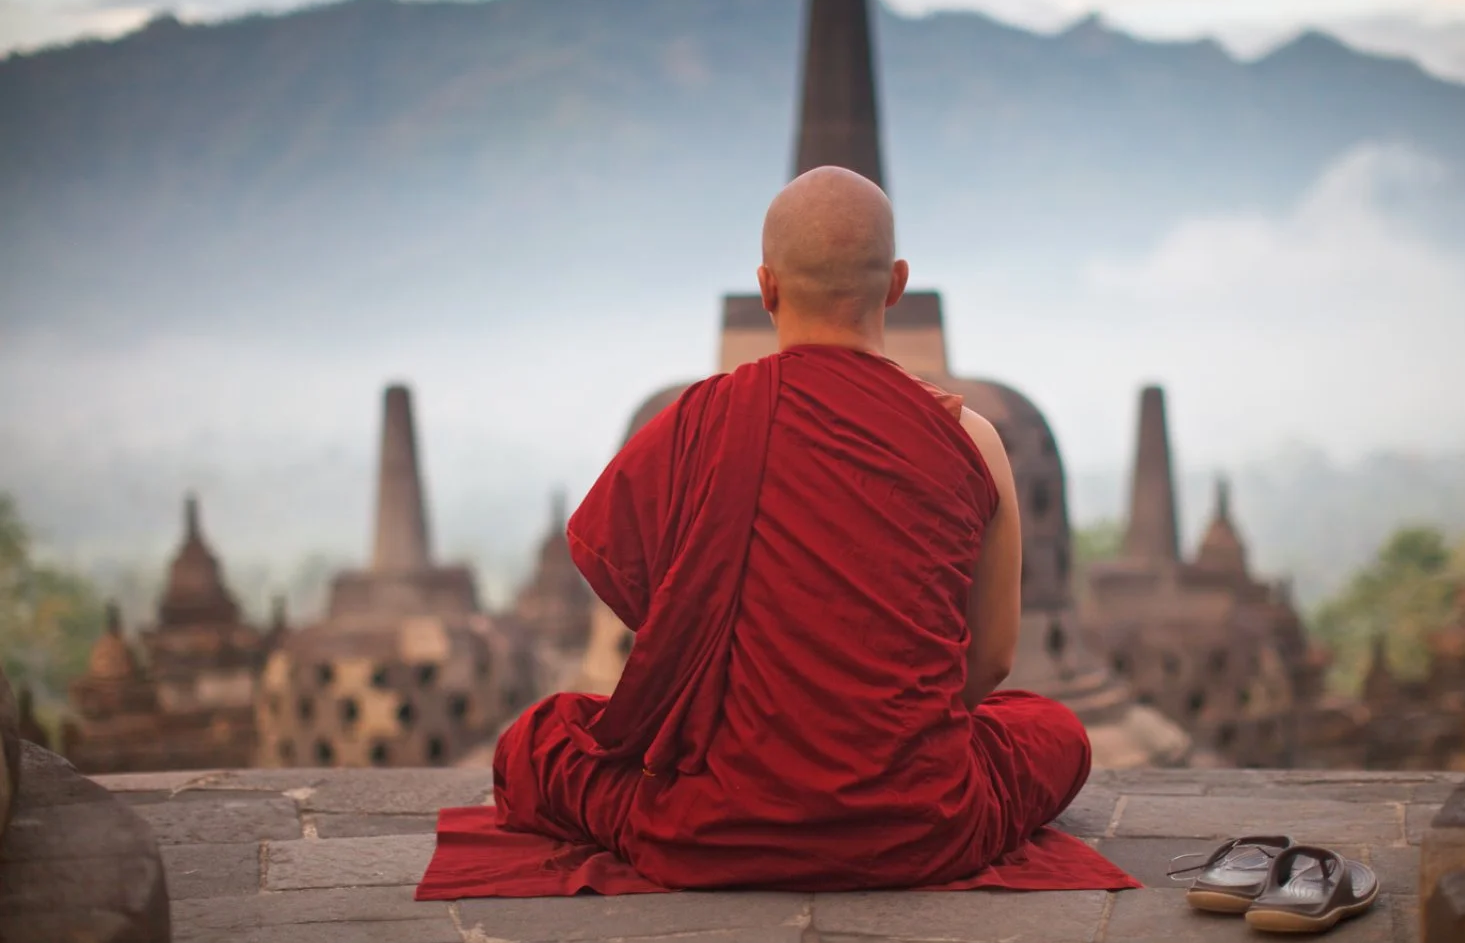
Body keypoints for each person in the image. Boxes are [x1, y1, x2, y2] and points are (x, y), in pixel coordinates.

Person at [416, 167, 1135, 897]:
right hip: (923, 824)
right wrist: (893, 741)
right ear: (897, 284)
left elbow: (659, 625)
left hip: (709, 824)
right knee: (1056, 731)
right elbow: (994, 660)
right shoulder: (973, 437)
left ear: (766, 287)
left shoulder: (696, 421)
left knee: (537, 741)